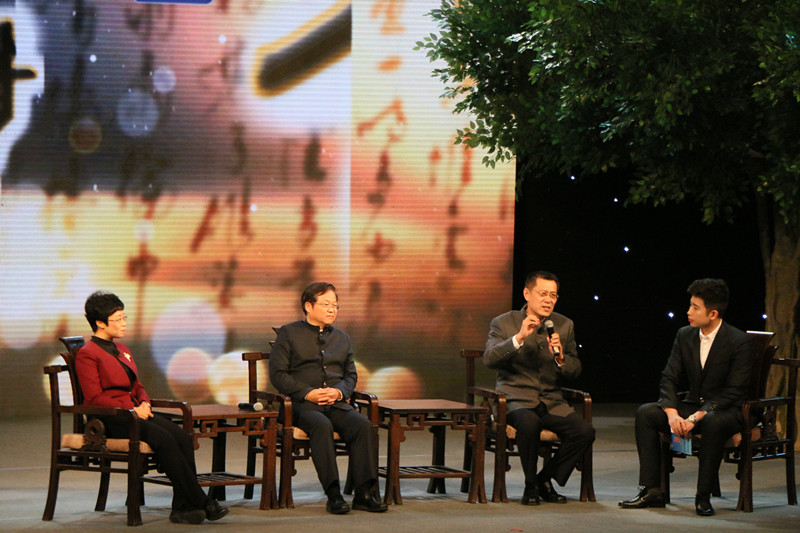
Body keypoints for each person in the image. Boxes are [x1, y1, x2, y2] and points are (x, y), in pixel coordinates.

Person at [75, 291, 228, 525]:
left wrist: (144, 402)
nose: (124, 323)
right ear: (100, 323)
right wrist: (132, 409)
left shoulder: (122, 349)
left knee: (183, 437)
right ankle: (202, 501)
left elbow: (137, 386)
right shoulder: (87, 354)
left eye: (124, 317)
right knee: (163, 439)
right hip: (110, 418)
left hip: (135, 413)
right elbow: (94, 397)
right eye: (118, 319)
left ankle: (182, 508)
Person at [619, 278, 754, 516]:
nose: (688, 312)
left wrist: (696, 417)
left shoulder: (738, 341)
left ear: (713, 314)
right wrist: (672, 414)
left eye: (695, 307)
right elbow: (669, 377)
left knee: (712, 420)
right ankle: (652, 490)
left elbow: (734, 391)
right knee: (647, 413)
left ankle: (703, 496)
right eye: (690, 305)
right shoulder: (685, 335)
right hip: (693, 403)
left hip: (726, 410)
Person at [269, 282, 388, 514]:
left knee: (363, 426)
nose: (332, 309)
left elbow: (351, 375)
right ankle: (334, 495)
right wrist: (308, 393)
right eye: (325, 304)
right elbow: (278, 375)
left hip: (335, 403)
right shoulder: (289, 333)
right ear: (308, 306)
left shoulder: (342, 337)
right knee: (321, 425)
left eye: (335, 305)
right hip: (301, 406)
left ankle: (364, 494)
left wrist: (339, 392)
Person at [483, 270, 595, 506]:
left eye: (553, 295)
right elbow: (490, 359)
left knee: (584, 431)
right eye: (543, 294)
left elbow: (575, 370)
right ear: (527, 293)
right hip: (516, 401)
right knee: (530, 424)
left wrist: (561, 358)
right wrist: (519, 337)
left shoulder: (564, 325)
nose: (548, 300)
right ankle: (530, 485)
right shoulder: (503, 322)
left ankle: (544, 479)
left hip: (552, 402)